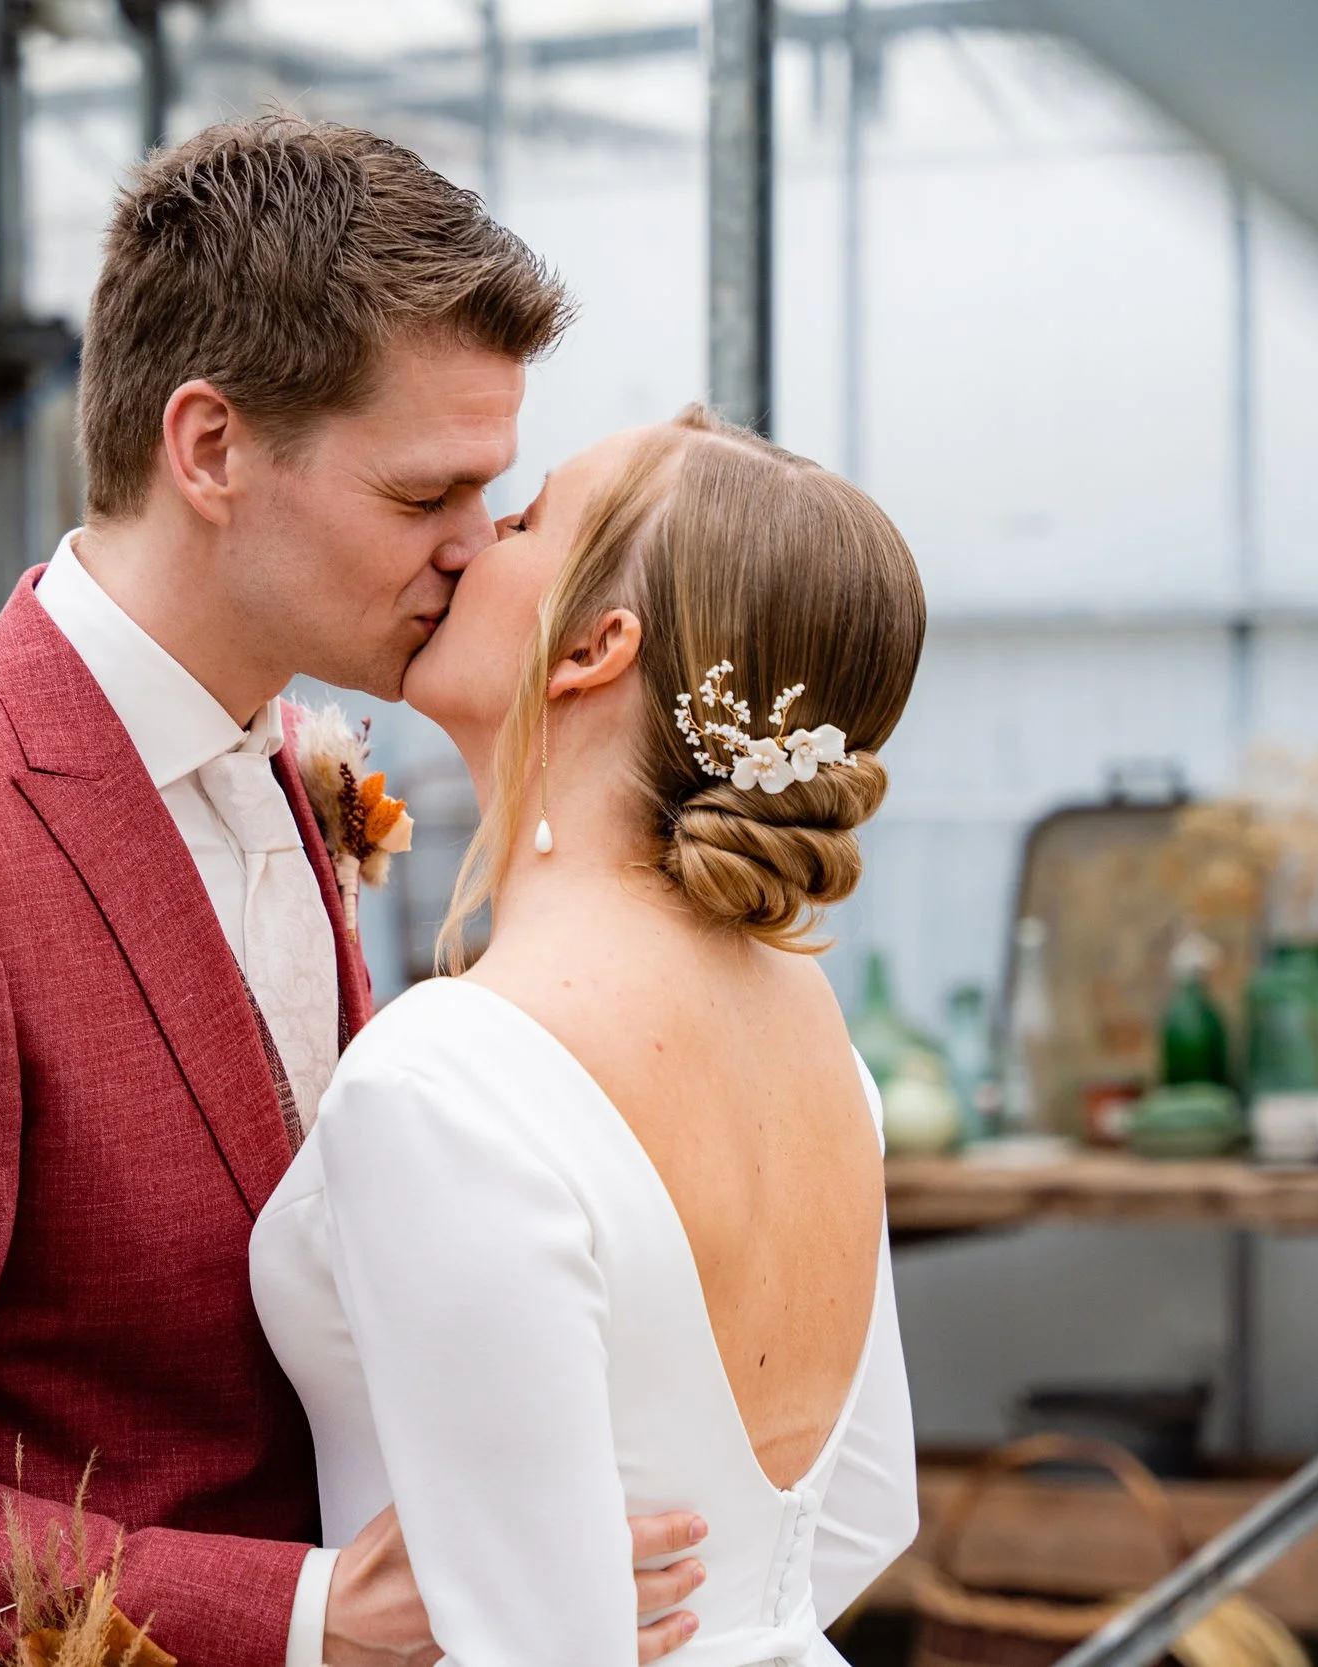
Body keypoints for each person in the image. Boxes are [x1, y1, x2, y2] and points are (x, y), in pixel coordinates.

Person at [0, 116, 707, 1667]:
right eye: (424, 496)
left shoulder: (299, 768)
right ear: (212, 448)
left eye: (489, 493)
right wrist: (306, 1613)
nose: (477, 552)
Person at [251, 408, 928, 1666]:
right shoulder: (809, 1023)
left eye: (522, 520)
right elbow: (866, 1510)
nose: (468, 542)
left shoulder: (448, 1077)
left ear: (592, 646)